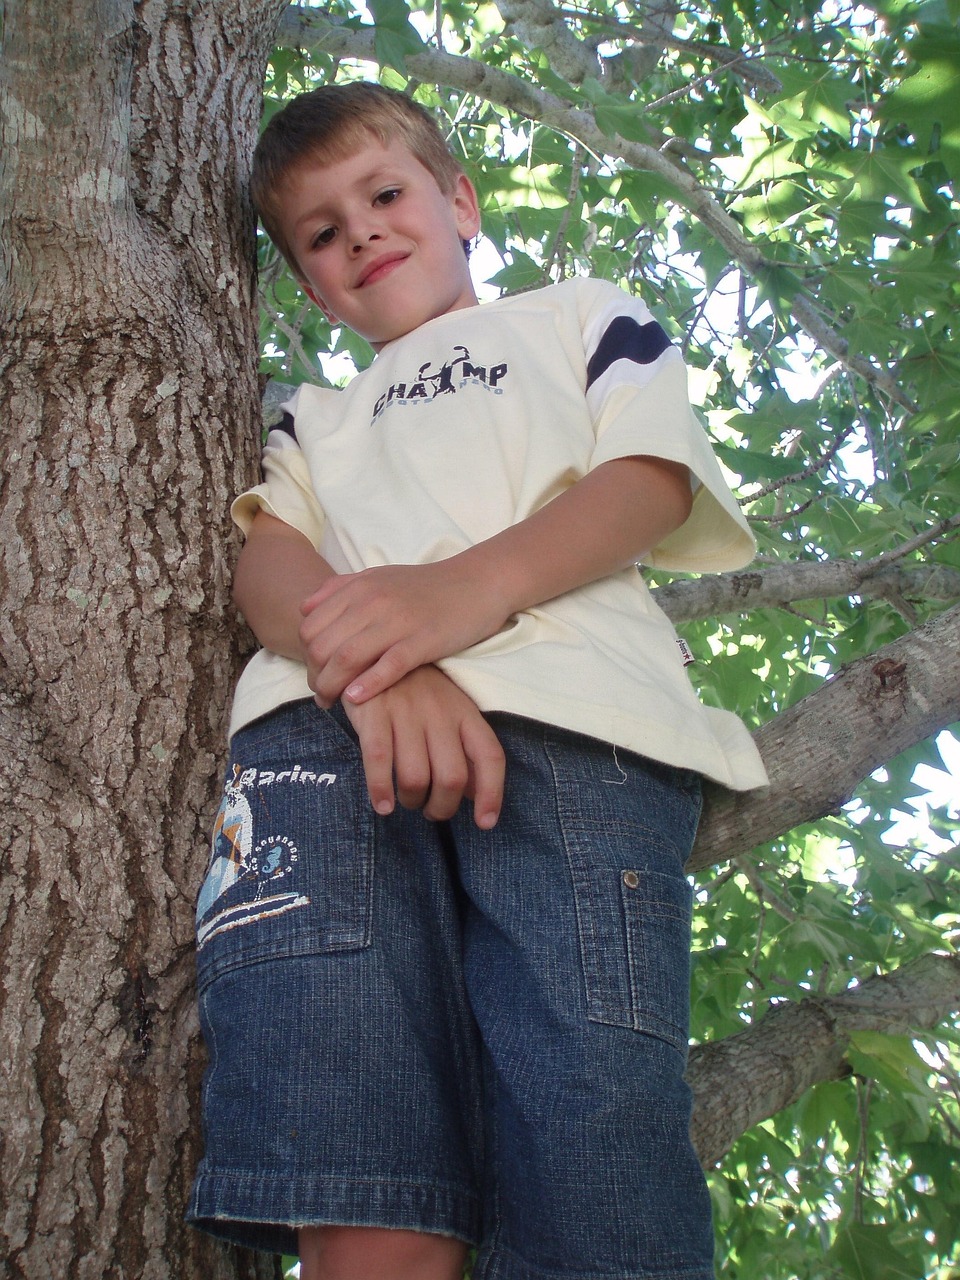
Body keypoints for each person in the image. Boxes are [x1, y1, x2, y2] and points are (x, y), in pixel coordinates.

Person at [187, 80, 768, 1280]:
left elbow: (649, 479)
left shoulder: (578, 314)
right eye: (323, 232)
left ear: (461, 202)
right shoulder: (313, 418)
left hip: (575, 722)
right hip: (325, 740)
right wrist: (372, 670)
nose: (362, 233)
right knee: (342, 1114)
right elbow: (269, 561)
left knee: (591, 1120)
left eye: (385, 194)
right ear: (311, 287)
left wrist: (458, 594)